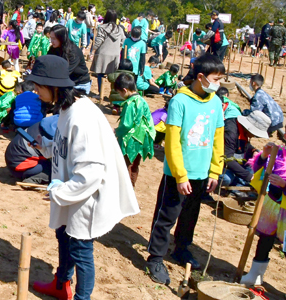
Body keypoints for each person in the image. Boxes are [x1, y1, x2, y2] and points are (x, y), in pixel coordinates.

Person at [26, 56, 139, 300]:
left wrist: (58, 191)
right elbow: (66, 147)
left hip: (86, 194)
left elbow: (91, 172)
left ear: (54, 85)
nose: (35, 89)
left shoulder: (82, 116)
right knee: (63, 236)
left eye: (38, 85)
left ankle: (81, 297)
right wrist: (46, 146)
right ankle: (61, 284)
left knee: (80, 248)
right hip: (71, 188)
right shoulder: (67, 107)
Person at [145, 54, 226, 285]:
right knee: (166, 216)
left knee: (190, 215)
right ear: (200, 77)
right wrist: (180, 175)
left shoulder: (215, 102)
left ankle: (182, 248)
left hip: (202, 173)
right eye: (215, 78)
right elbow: (172, 142)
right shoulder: (180, 101)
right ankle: (155, 257)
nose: (217, 83)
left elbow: (217, 138)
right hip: (178, 175)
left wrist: (214, 171)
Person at [236, 143, 286, 286]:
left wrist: (284, 184)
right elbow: (259, 171)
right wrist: (264, 155)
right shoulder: (279, 151)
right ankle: (255, 275)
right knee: (265, 239)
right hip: (272, 202)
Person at [114, 73, 156, 187]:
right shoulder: (142, 100)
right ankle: (131, 187)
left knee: (125, 165)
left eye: (119, 93)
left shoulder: (130, 103)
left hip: (130, 141)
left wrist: (116, 131)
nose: (120, 95)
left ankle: (126, 191)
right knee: (134, 166)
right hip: (141, 139)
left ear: (124, 90)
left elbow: (127, 125)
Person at [48, 25, 92, 94]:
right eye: (50, 38)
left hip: (79, 84)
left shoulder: (73, 51)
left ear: (61, 38)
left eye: (54, 38)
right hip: (64, 82)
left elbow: (66, 72)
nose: (51, 41)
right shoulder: (53, 49)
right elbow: (48, 63)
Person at [91, 9, 126, 95]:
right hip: (115, 55)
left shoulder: (102, 27)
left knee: (100, 74)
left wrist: (93, 50)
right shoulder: (120, 29)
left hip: (103, 54)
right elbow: (123, 40)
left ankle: (100, 94)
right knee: (113, 77)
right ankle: (113, 94)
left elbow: (99, 40)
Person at [246, 74, 285, 138]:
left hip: (272, 123)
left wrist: (244, 112)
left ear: (253, 83)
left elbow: (254, 112)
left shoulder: (258, 96)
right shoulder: (263, 93)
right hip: (279, 120)